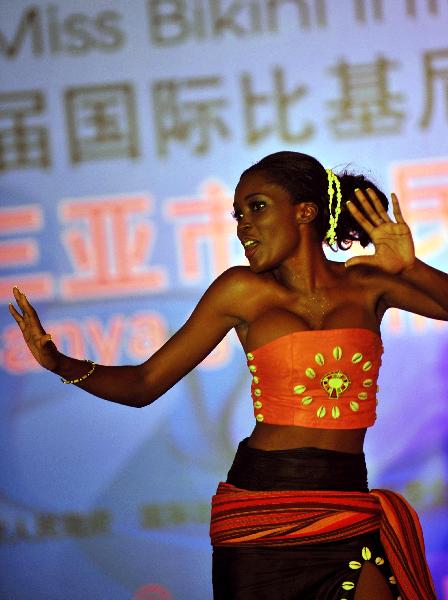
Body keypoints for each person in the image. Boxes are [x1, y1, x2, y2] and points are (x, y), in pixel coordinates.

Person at [9, 151, 446, 600]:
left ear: (305, 212)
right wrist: (61, 364)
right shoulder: (241, 290)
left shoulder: (368, 284)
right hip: (261, 510)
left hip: (346, 504)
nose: (243, 226)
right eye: (237, 215)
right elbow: (144, 384)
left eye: (257, 207)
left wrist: (411, 267)